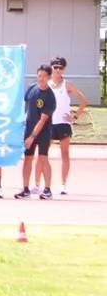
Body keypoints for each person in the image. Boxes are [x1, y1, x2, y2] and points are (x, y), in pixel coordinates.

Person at [47, 58, 89, 196]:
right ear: (51, 68)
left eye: (60, 67)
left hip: (63, 124)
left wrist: (75, 116)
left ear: (64, 69)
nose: (58, 70)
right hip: (48, 123)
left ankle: (63, 184)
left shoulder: (68, 84)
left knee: (65, 154)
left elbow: (84, 101)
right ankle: (43, 184)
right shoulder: (46, 83)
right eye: (55, 67)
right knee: (43, 154)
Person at [16, 63, 55, 201]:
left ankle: (47, 190)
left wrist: (32, 137)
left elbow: (43, 120)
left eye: (44, 76)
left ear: (49, 77)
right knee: (27, 159)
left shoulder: (50, 97)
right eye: (39, 75)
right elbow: (24, 104)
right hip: (28, 129)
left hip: (43, 133)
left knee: (43, 159)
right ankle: (25, 189)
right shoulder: (32, 88)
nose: (41, 78)